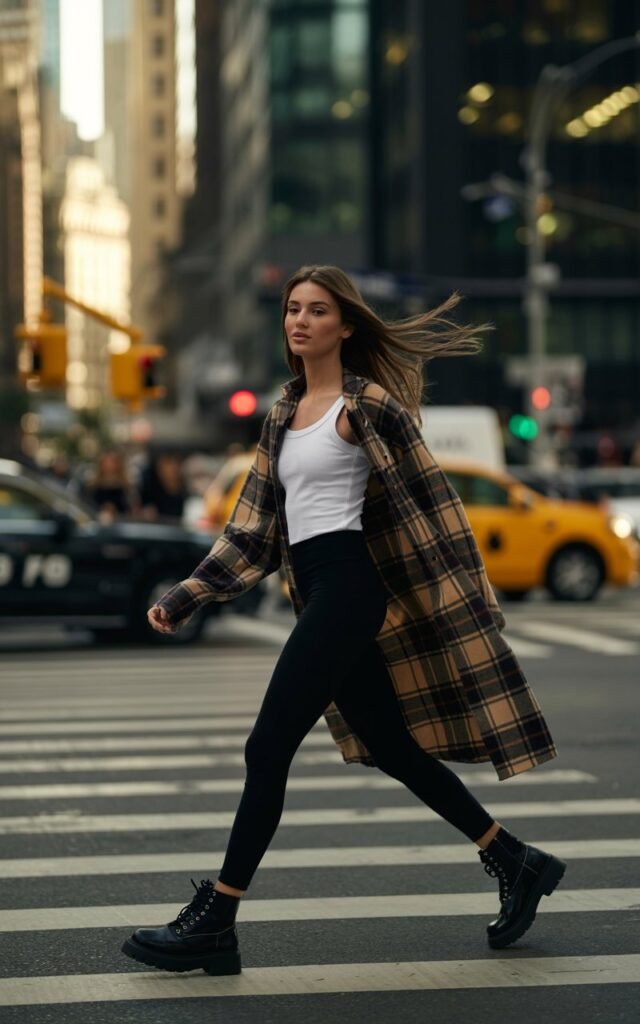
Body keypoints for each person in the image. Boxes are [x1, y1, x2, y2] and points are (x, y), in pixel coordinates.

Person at [121, 265, 566, 977]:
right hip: (319, 589)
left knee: (266, 749)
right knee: (390, 746)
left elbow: (434, 509)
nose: (299, 321)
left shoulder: (369, 408)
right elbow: (254, 529)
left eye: (317, 310)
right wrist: (186, 594)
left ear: (346, 326)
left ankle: (217, 920)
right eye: (293, 309)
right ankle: (516, 859)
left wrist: (470, 602)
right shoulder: (282, 413)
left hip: (351, 592)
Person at [85, 450, 138, 520]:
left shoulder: (125, 484)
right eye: (106, 462)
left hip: (121, 518)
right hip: (99, 518)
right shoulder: (94, 484)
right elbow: (90, 503)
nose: (109, 465)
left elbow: (129, 503)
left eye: (112, 462)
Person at [139, 452, 187, 522]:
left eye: (176, 463)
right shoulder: (150, 490)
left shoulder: (185, 488)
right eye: (169, 464)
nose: (173, 468)